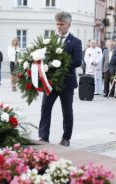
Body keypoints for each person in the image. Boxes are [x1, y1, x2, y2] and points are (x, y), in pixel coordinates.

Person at [39, 11, 82, 147]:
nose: (58, 26)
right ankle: (44, 136)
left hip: (67, 83)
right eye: (57, 24)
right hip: (51, 82)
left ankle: (66, 138)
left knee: (67, 110)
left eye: (61, 24)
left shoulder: (76, 42)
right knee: (45, 108)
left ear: (68, 25)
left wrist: (60, 62)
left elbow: (77, 61)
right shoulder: (50, 40)